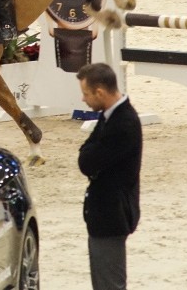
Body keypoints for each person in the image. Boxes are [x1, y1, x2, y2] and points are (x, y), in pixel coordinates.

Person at [77, 63, 142, 290]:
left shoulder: (123, 124)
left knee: (109, 285)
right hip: (104, 215)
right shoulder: (110, 116)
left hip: (111, 215)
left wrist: (89, 154)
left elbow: (86, 161)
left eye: (86, 94)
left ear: (100, 93)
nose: (83, 100)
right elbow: (88, 152)